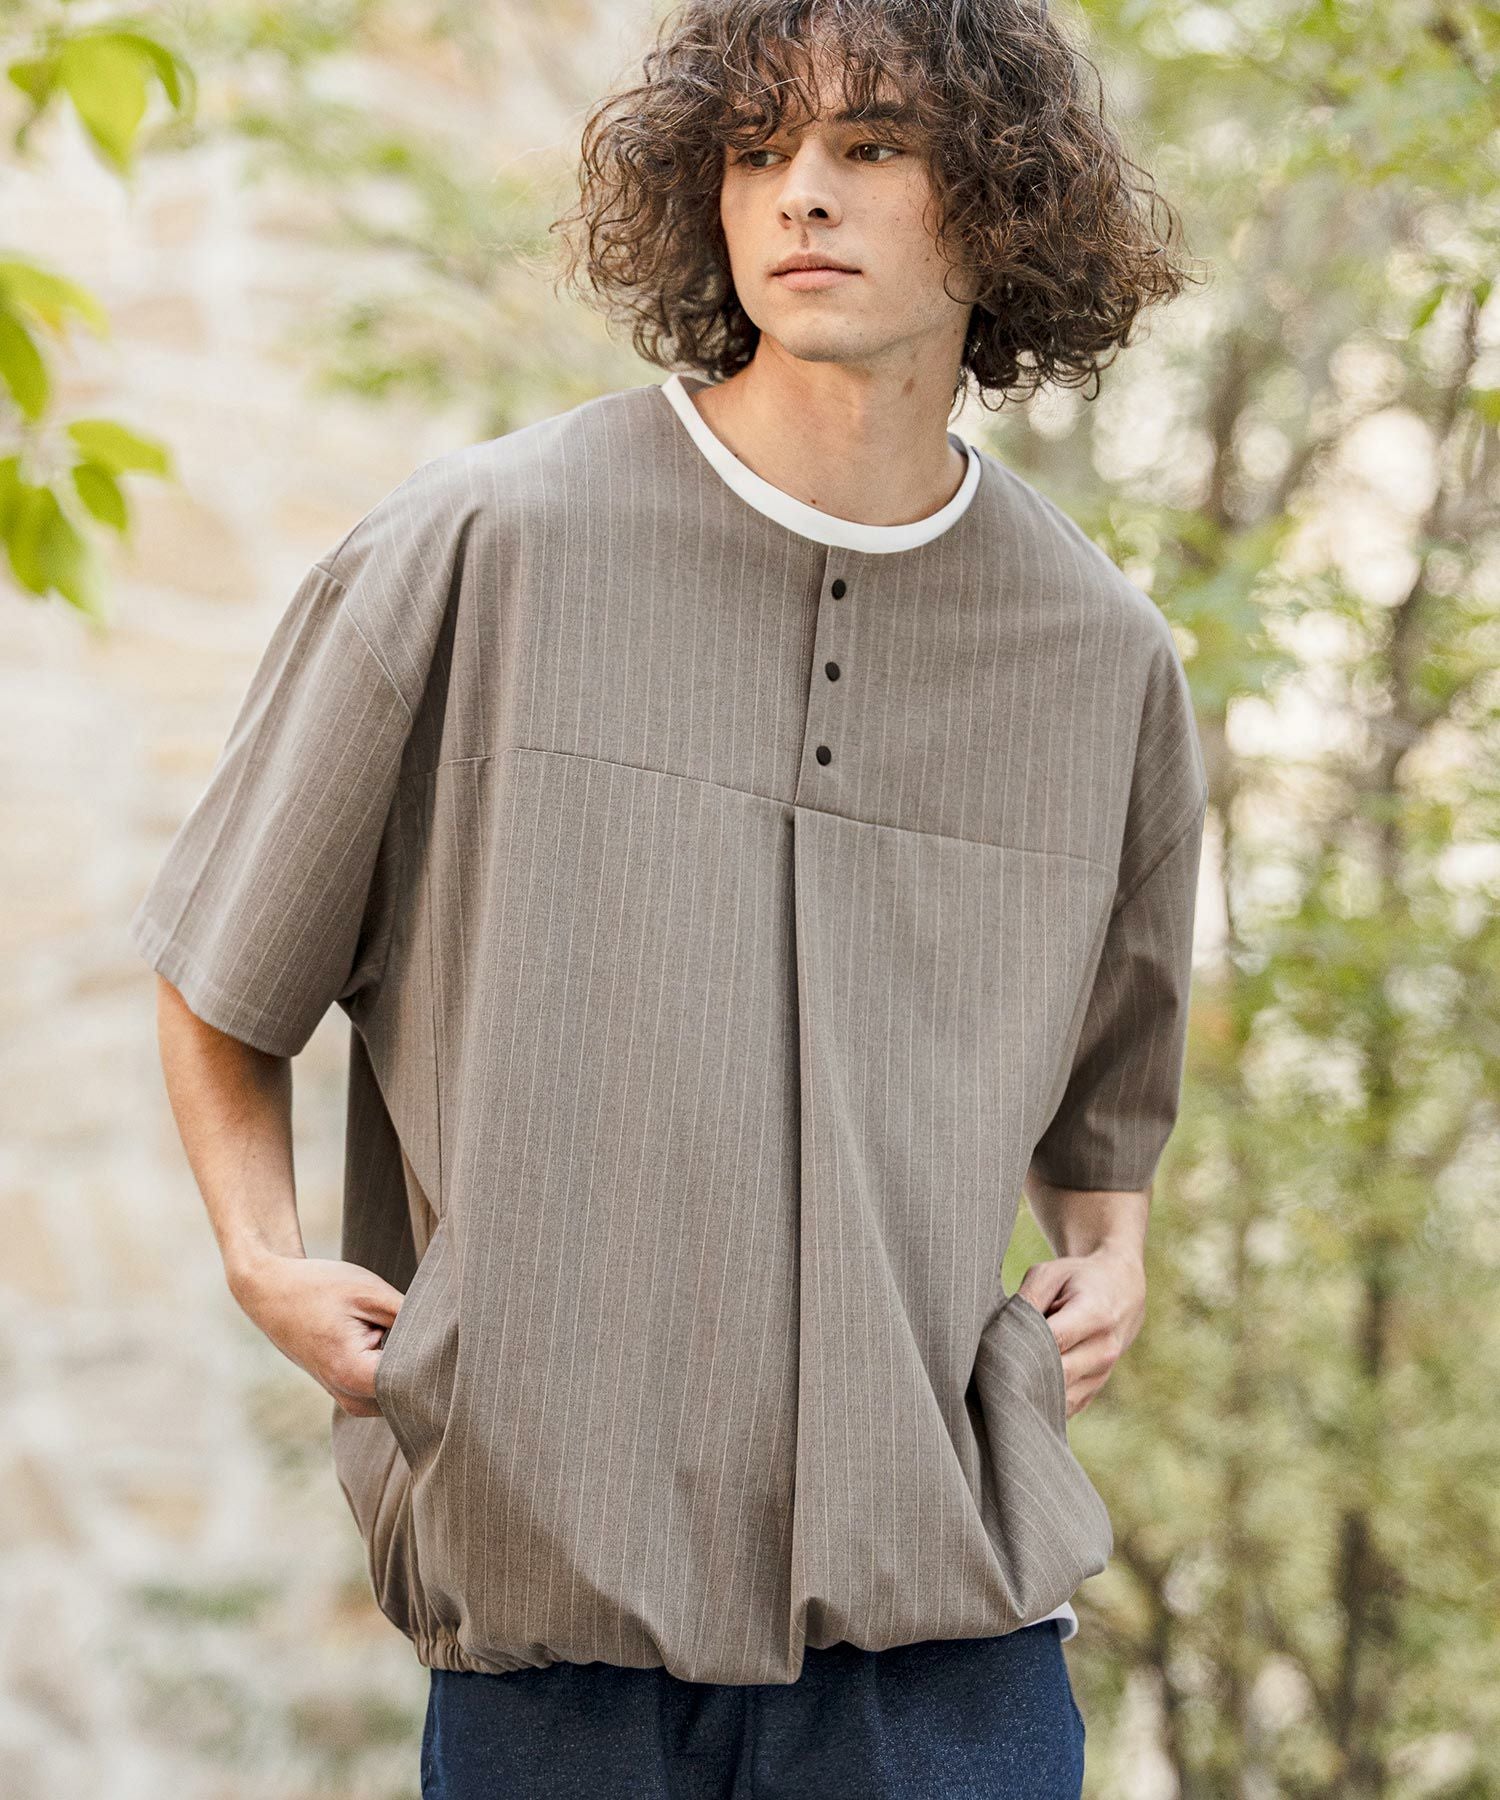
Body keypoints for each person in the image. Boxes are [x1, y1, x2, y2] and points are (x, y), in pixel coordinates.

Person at [128, 1, 1208, 1794]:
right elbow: (221, 964)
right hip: (556, 1619)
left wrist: (1117, 1255)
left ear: (1005, 200)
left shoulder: (1101, 658)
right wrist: (261, 1256)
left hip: (942, 1634)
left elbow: (1112, 1104)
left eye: (872, 147)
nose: (803, 195)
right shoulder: (483, 545)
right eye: (758, 151)